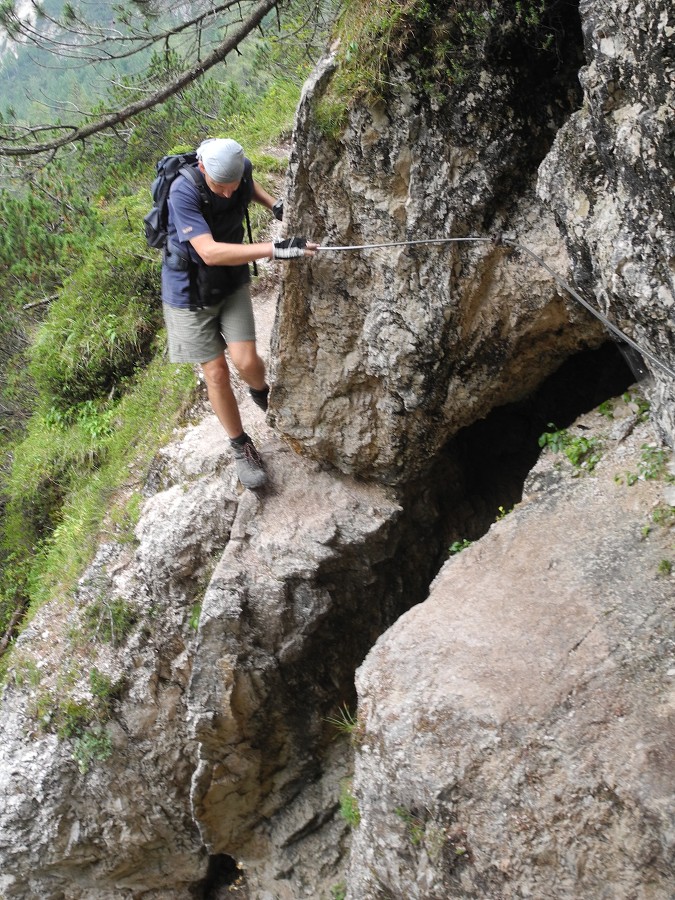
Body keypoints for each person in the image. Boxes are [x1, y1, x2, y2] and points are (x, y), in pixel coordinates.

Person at [161, 137, 317, 489]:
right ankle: (240, 446)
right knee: (216, 372)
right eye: (221, 187)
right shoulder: (183, 192)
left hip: (229, 281)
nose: (229, 194)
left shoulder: (239, 170)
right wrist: (275, 250)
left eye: (233, 186)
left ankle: (263, 396)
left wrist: (272, 203)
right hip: (188, 292)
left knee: (246, 362)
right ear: (203, 169)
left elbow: (247, 185)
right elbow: (210, 252)